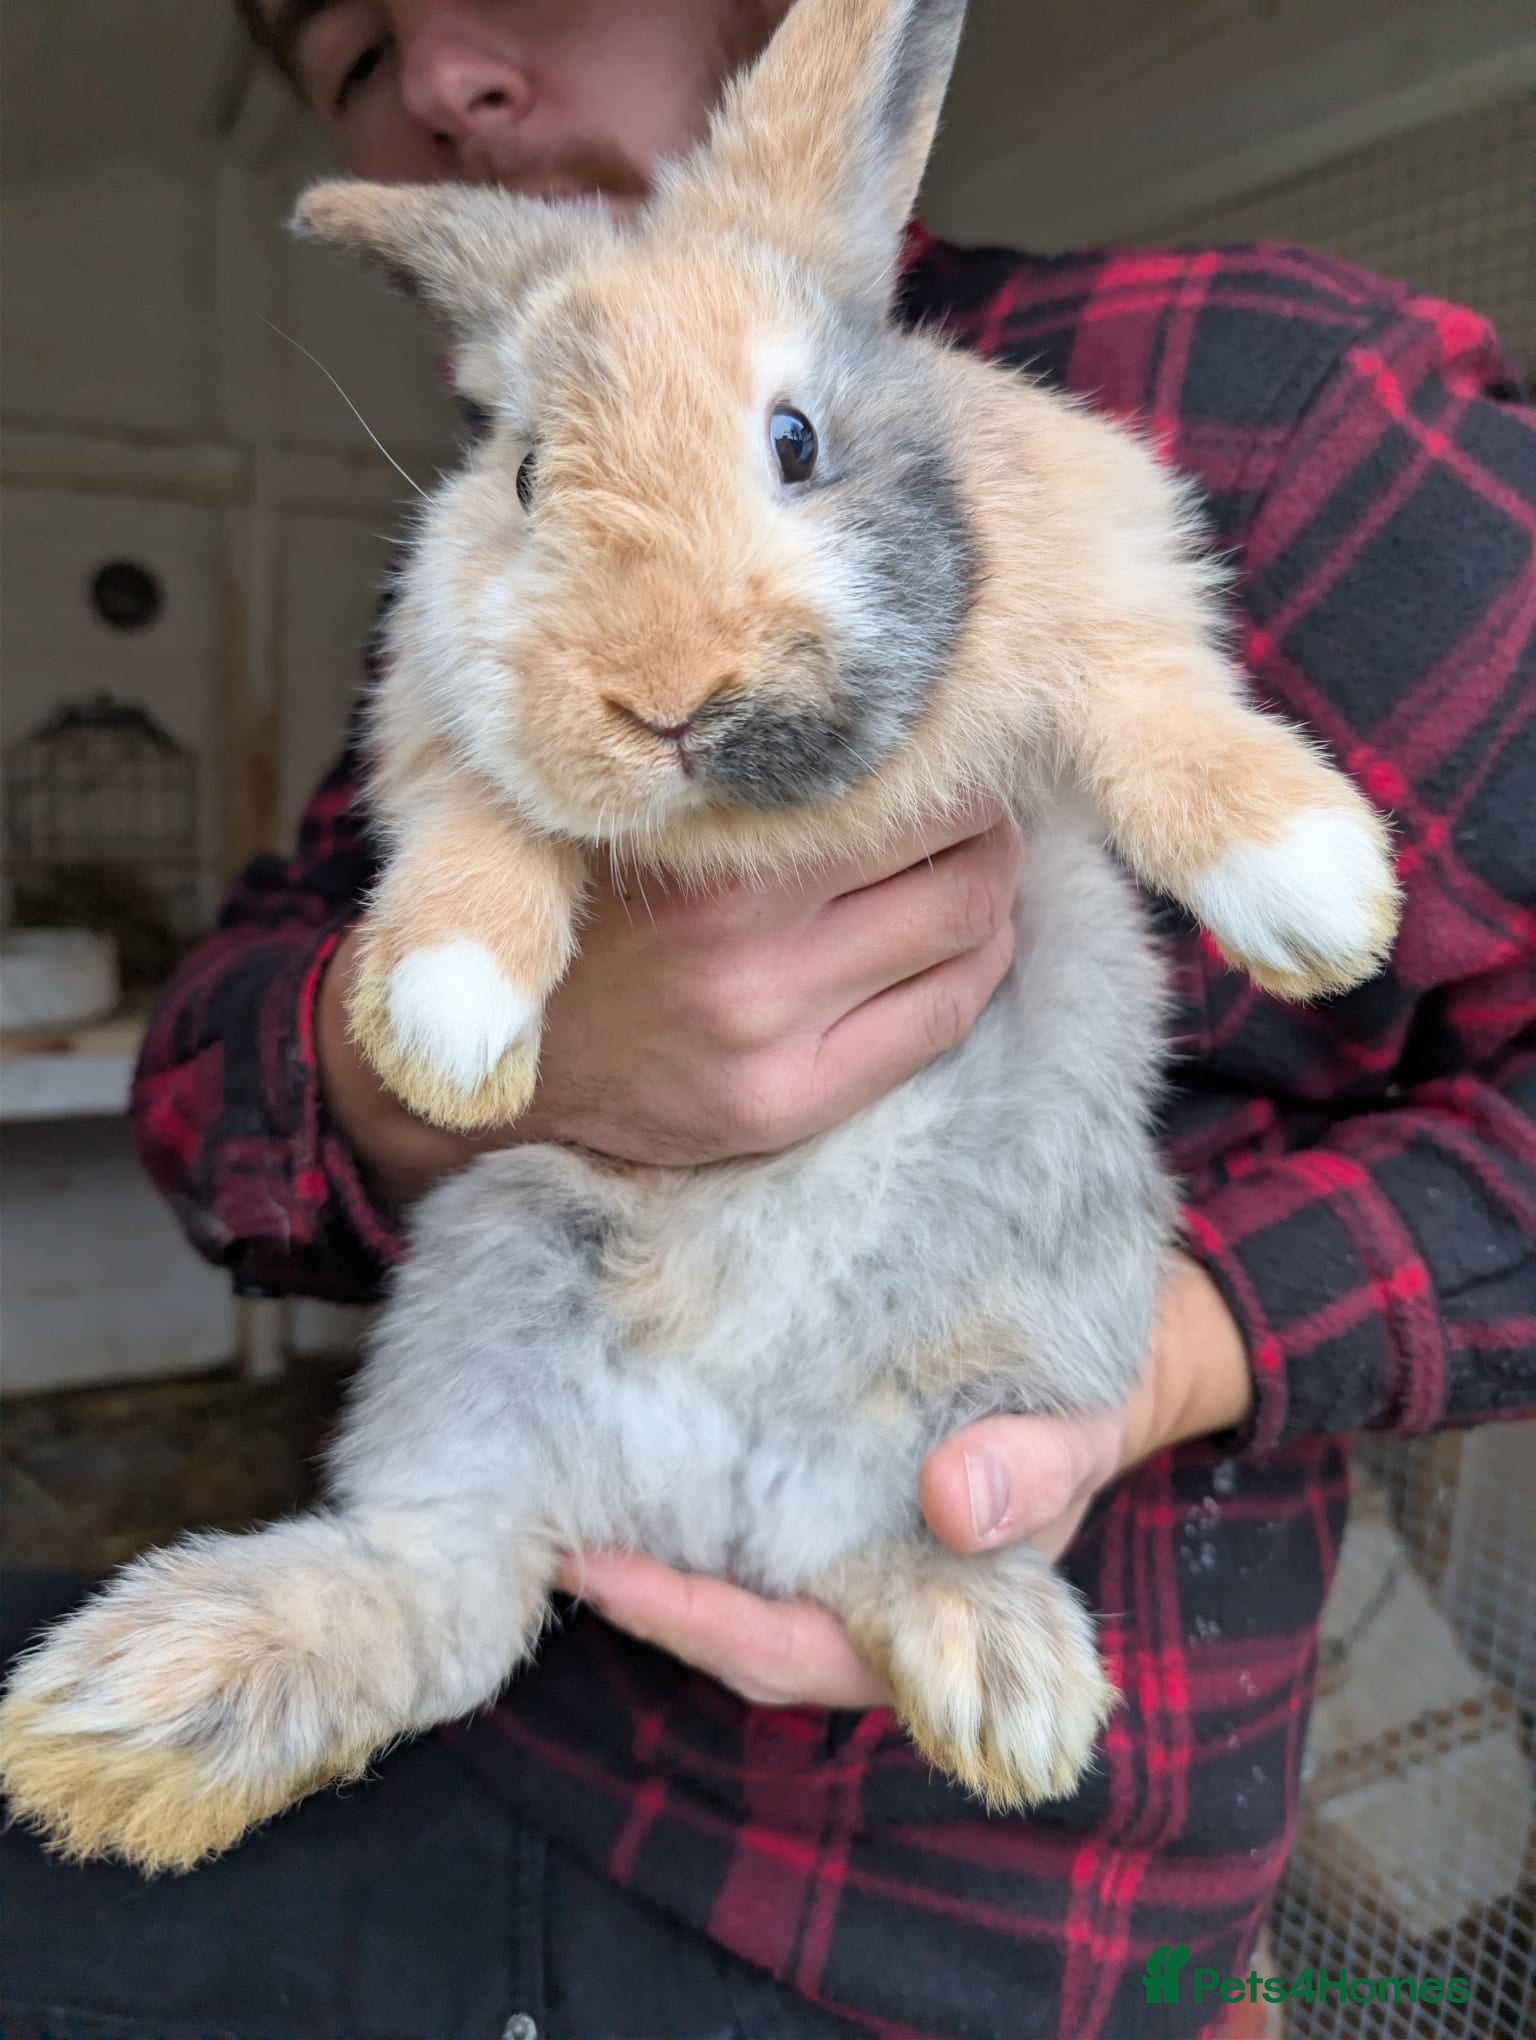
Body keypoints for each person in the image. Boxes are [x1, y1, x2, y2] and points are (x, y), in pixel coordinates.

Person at [3, 4, 1532, 2037]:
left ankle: (919, 1578)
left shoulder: (1257, 400)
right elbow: (214, 1063)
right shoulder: (488, 543)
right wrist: (464, 1059)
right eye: (350, 43)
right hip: (532, 1665)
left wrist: (1162, 1360)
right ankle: (408, 1589)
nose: (442, 69)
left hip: (955, 1905)